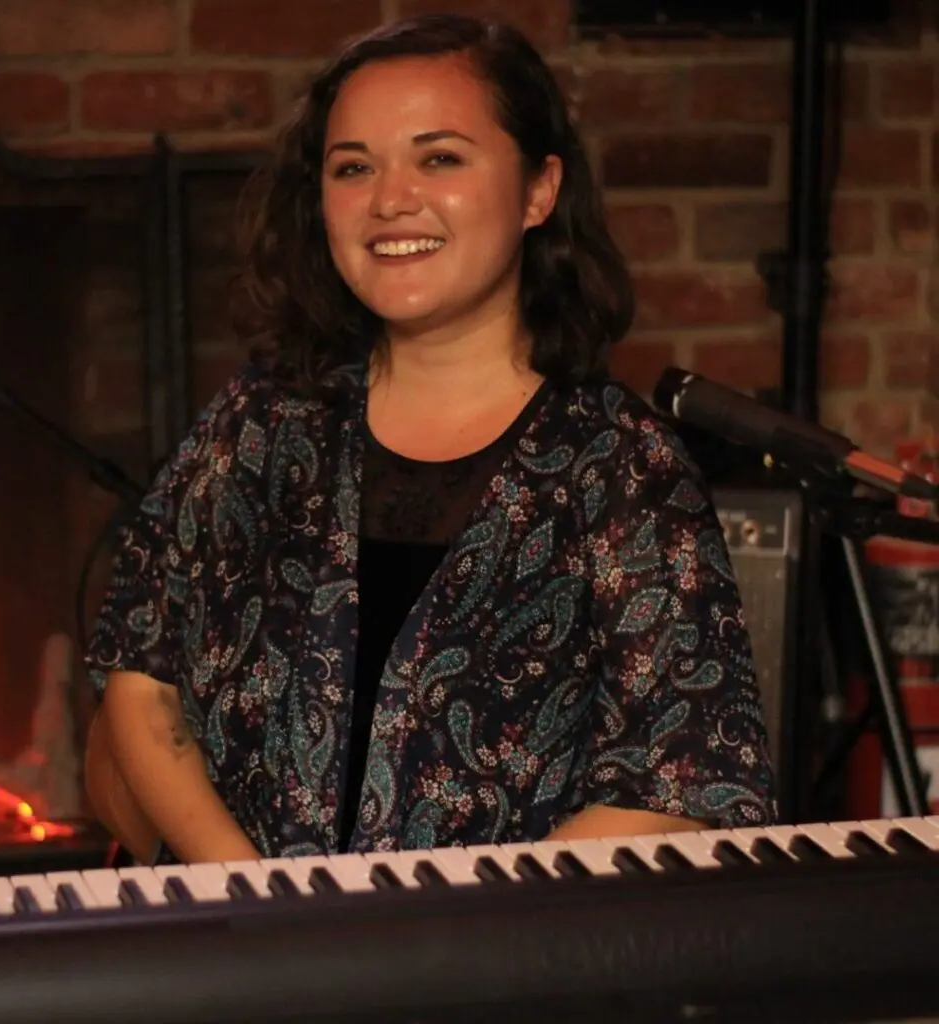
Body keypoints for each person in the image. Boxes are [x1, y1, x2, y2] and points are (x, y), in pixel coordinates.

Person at [83, 13, 776, 866]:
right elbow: (141, 682)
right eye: (353, 167)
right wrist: (260, 899)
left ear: (538, 190)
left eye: (439, 157)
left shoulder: (621, 466)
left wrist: (432, 936)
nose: (389, 199)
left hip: (493, 970)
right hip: (240, 946)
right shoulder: (263, 418)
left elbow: (682, 786)